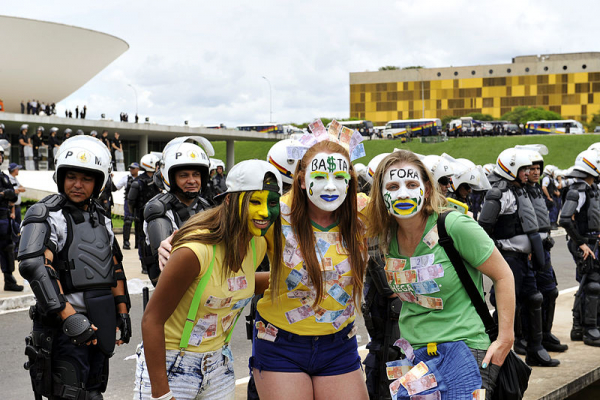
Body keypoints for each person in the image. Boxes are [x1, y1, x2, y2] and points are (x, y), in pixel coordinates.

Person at [367, 150, 515, 399]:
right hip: (416, 355)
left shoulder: (454, 225)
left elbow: (503, 275)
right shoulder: (385, 238)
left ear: (426, 187)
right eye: (392, 185)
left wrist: (505, 339)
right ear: (381, 193)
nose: (403, 193)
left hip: (465, 351)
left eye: (412, 184)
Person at [135, 160, 283, 400]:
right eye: (254, 201)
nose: (265, 212)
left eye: (272, 203)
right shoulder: (194, 250)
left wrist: (293, 280)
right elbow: (151, 320)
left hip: (219, 366)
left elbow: (236, 283)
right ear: (228, 201)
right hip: (172, 365)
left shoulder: (257, 243)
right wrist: (162, 394)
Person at [251, 139, 369, 400]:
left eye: (339, 177)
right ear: (302, 180)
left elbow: (423, 220)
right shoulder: (277, 211)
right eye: (319, 176)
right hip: (280, 343)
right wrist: (182, 242)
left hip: (339, 344)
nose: (330, 186)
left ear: (350, 180)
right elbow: (226, 234)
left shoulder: (364, 210)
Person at [19, 136, 131, 399]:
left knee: (94, 394)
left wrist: (123, 312)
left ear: (98, 183)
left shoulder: (102, 218)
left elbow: (114, 267)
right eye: (71, 177)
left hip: (99, 325)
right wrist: (70, 317)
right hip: (64, 330)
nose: (78, 185)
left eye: (86, 179)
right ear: (61, 177)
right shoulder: (46, 214)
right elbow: (36, 266)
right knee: (69, 395)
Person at [479, 148, 559, 367]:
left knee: (535, 298)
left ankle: (536, 348)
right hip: (508, 259)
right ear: (511, 169)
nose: (528, 173)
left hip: (525, 259)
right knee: (505, 305)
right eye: (523, 168)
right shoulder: (499, 193)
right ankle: (499, 352)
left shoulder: (521, 191)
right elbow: (483, 228)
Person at [144, 136, 214, 286]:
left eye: (196, 174)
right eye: (184, 175)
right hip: (175, 290)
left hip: (208, 286)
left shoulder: (206, 206)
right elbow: (166, 261)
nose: (192, 180)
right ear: (171, 177)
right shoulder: (159, 209)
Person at [518, 147, 568, 354]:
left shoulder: (536, 189)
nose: (535, 172)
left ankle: (544, 334)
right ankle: (523, 337)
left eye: (538, 168)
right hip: (527, 250)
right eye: (530, 168)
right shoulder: (517, 191)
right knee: (528, 297)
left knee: (550, 291)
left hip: (543, 248)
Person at [559, 149, 600, 347]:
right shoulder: (579, 190)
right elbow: (565, 219)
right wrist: (581, 243)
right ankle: (589, 330)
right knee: (591, 285)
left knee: (587, 284)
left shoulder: (590, 189)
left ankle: (579, 328)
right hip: (585, 244)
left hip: (592, 242)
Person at [128, 154, 161, 274]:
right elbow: (131, 201)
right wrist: (135, 215)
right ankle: (144, 264)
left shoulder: (157, 180)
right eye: (156, 164)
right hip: (141, 217)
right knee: (143, 241)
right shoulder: (138, 182)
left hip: (156, 216)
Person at [0, 149, 20, 292]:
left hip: (4, 218)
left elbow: (13, 196)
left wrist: (6, 194)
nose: (0, 157)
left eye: (1, 154)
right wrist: (4, 194)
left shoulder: (4, 177)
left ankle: (9, 280)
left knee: (8, 248)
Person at [113, 162, 140, 250]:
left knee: (139, 222)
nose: (131, 170)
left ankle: (138, 243)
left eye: (133, 168)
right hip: (128, 203)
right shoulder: (126, 178)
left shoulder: (141, 179)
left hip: (139, 203)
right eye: (130, 168)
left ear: (138, 169)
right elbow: (116, 187)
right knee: (128, 221)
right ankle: (126, 242)